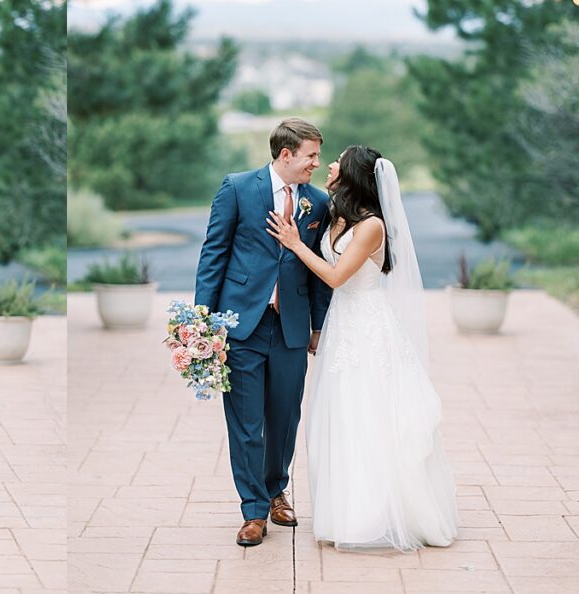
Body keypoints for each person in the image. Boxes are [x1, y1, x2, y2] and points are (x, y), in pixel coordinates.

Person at [267, 145, 458, 550]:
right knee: (342, 416)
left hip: (368, 328)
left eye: (336, 160)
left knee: (368, 415)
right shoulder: (337, 214)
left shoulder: (372, 225)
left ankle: (376, 515)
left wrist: (296, 244)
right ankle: (348, 512)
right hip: (342, 326)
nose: (329, 164)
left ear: (352, 173)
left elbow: (336, 277)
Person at [194, 118, 333, 546]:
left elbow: (319, 271)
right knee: (246, 422)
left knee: (284, 417)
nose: (316, 162)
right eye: (310, 155)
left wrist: (317, 325)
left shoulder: (318, 202)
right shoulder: (237, 187)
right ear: (286, 154)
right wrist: (202, 323)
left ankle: (277, 490)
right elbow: (213, 253)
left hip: (290, 326)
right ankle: (253, 510)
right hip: (240, 325)